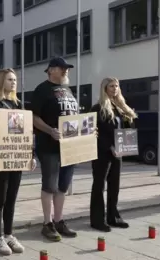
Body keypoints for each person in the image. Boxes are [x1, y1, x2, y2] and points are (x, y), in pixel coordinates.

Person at [0, 68, 37, 255]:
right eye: (9, 79)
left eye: (14, 80)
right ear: (0, 82)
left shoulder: (18, 104)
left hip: (17, 158)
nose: (13, 82)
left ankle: (9, 234)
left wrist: (30, 155)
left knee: (12, 199)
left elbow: (26, 134)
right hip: (0, 159)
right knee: (0, 198)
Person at [27, 57, 79, 241]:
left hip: (69, 146)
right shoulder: (42, 90)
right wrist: (50, 130)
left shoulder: (68, 89)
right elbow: (33, 117)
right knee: (50, 185)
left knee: (63, 186)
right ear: (50, 70)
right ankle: (47, 223)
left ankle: (59, 220)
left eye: (67, 68)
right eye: (62, 68)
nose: (66, 71)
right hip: (49, 146)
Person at [89, 77, 137, 232]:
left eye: (117, 86)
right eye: (111, 86)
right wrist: (108, 146)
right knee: (99, 185)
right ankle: (97, 220)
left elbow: (128, 129)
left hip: (118, 152)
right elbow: (94, 133)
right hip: (102, 153)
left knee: (114, 185)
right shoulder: (98, 108)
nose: (115, 88)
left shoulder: (120, 107)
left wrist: (128, 116)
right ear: (105, 88)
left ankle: (113, 217)